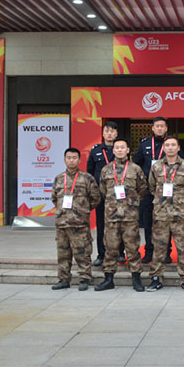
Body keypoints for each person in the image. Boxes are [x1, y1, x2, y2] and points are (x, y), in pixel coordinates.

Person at [95, 138, 147, 292]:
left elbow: (142, 189)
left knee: (132, 248)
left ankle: (136, 279)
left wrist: (132, 202)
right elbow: (102, 190)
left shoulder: (135, 169)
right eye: (117, 147)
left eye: (122, 147)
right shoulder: (106, 170)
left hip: (130, 216)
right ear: (113, 150)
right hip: (111, 216)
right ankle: (108, 279)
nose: (119, 150)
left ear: (128, 150)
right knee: (110, 248)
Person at [147, 135, 184, 292]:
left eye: (173, 145)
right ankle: (156, 278)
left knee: (183, 246)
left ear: (178, 148)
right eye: (167, 145)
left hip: (179, 214)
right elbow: (151, 186)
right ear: (164, 148)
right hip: (161, 214)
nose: (170, 148)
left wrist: (182, 199)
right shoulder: (156, 166)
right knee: (159, 246)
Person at [50, 148, 101, 291]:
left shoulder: (87, 178)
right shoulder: (59, 178)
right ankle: (63, 279)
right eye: (69, 158)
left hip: (80, 223)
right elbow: (54, 198)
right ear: (64, 160)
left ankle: (85, 278)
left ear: (79, 160)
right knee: (63, 253)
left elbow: (96, 198)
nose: (71, 160)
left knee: (82, 252)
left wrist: (83, 210)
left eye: (74, 158)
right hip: (62, 223)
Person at [133, 117, 175, 264]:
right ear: (152, 128)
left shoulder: (171, 144)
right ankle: (149, 251)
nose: (159, 128)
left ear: (166, 128)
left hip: (166, 191)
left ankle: (166, 252)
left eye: (162, 126)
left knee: (166, 222)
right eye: (157, 126)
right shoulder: (145, 144)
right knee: (148, 221)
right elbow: (136, 163)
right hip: (148, 190)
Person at [87, 121, 118, 267]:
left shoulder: (120, 148)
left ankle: (120, 253)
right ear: (103, 133)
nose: (109, 134)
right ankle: (101, 254)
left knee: (119, 225)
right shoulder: (96, 150)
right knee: (101, 225)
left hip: (118, 196)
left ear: (116, 133)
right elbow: (90, 172)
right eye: (107, 131)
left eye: (112, 131)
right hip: (101, 195)